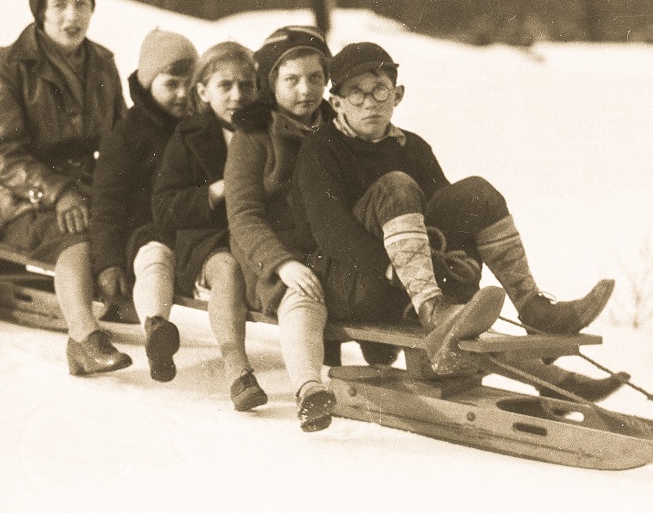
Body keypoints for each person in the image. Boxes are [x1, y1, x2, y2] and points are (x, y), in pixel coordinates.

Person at [293, 41, 627, 400]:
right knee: (397, 186)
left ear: (398, 95)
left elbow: (448, 220)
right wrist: (390, 269)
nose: (369, 102)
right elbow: (331, 233)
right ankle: (433, 311)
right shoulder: (321, 149)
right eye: (356, 93)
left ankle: (534, 310)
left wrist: (457, 267)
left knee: (477, 193)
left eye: (379, 90)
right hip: (353, 286)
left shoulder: (412, 147)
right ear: (336, 103)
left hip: (409, 288)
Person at [0, 0, 131, 376]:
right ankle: (84, 339)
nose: (72, 16)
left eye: (82, 4)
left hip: (86, 190)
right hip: (23, 199)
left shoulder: (101, 63)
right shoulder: (10, 66)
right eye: (60, 4)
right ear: (41, 11)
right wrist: (60, 191)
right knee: (76, 234)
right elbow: (3, 155)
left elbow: (120, 144)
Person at [224, 26, 339, 432]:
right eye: (291, 79)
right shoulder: (253, 138)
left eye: (315, 77)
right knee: (301, 298)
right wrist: (282, 263)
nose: (305, 89)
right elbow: (243, 215)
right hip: (272, 255)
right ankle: (309, 388)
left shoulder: (337, 129)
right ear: (270, 84)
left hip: (328, 247)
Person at [152, 42, 268, 410]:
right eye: (225, 85)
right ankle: (238, 368)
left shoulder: (268, 130)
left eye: (246, 85)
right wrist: (214, 192)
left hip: (257, 232)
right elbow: (164, 208)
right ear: (203, 91)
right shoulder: (188, 137)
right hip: (207, 239)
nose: (237, 96)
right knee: (227, 270)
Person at [90, 28, 198, 382]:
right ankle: (156, 327)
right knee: (155, 258)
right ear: (149, 84)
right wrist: (107, 262)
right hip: (144, 230)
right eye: (171, 84)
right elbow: (107, 201)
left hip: (193, 230)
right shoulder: (128, 133)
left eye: (190, 84)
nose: (182, 94)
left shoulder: (201, 127)